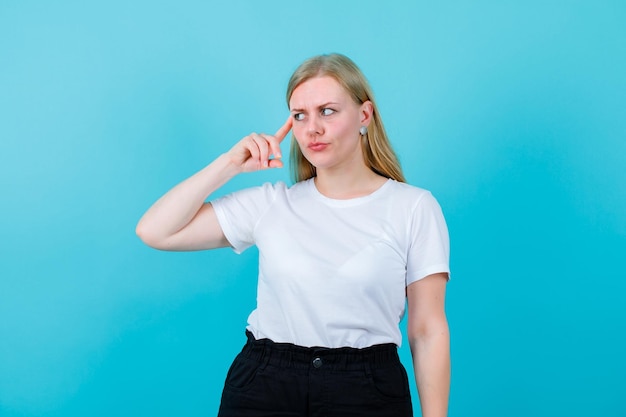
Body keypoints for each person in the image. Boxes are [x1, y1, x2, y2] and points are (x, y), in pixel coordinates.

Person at [136, 53, 450, 417]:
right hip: (265, 385)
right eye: (299, 115)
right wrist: (229, 164)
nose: (311, 128)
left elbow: (427, 331)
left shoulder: (413, 208)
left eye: (327, 111)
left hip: (365, 390)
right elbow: (155, 230)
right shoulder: (271, 204)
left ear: (365, 115)